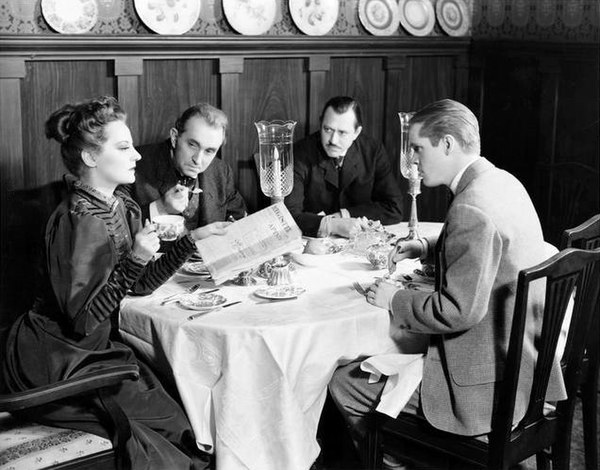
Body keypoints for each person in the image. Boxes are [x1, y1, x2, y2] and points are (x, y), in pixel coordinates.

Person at [328, 99, 566, 467]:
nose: (413, 160)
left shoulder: (470, 207)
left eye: (418, 148)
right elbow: (490, 242)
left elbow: (456, 312)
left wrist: (395, 298)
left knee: (346, 382)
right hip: (526, 367)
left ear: (448, 144)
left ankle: (412, 459)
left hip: (486, 386)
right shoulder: (503, 182)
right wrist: (426, 245)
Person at [0, 96, 228, 469]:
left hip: (94, 350)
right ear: (91, 158)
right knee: (177, 435)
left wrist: (191, 241)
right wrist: (137, 257)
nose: (136, 155)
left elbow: (137, 286)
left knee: (185, 419)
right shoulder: (80, 220)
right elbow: (83, 320)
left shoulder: (120, 204)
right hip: (57, 355)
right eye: (123, 147)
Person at [285, 96, 403, 238]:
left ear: (356, 133)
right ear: (320, 123)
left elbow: (394, 207)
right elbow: (287, 216)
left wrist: (344, 215)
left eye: (342, 132)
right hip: (313, 243)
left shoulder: (372, 151)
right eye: (327, 129)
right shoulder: (299, 153)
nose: (333, 140)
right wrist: (331, 225)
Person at [132, 103, 247, 231]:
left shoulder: (221, 171)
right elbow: (120, 229)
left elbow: (240, 221)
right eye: (192, 145)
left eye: (209, 151)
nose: (198, 160)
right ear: (175, 138)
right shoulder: (134, 164)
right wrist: (161, 207)